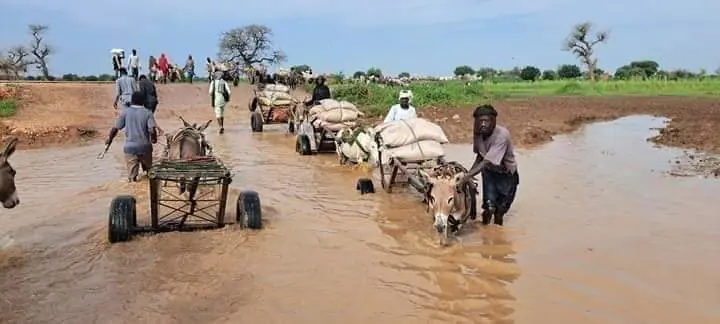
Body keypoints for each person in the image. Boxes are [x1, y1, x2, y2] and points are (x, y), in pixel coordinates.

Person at [459, 105, 519, 226]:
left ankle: (497, 240)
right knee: (489, 207)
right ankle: (485, 230)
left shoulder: (502, 135)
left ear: (494, 121)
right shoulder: (478, 133)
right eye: (480, 121)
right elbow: (480, 156)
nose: (483, 124)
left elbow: (487, 161)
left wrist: (466, 177)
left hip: (506, 175)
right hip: (489, 173)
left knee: (499, 212)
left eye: (486, 121)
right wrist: (468, 175)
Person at [105, 91, 160, 182]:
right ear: (143, 101)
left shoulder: (125, 112)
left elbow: (115, 128)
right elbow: (152, 130)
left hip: (130, 148)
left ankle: (133, 181)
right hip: (145, 147)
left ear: (132, 100)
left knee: (132, 179)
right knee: (149, 173)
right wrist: (154, 139)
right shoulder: (148, 113)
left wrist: (109, 139)